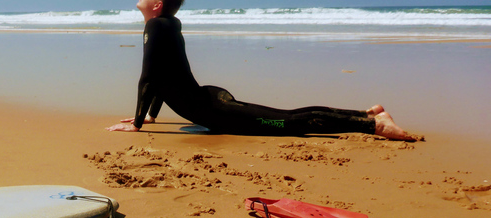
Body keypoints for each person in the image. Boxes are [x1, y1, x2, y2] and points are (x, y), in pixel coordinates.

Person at [108, 0, 419, 141]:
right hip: (209, 101)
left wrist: (137, 124)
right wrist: (150, 116)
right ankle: (366, 115)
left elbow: (149, 77)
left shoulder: (157, 26)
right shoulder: (166, 25)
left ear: (158, 4)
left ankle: (373, 125)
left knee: (289, 122)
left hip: (212, 109)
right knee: (288, 115)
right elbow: (163, 75)